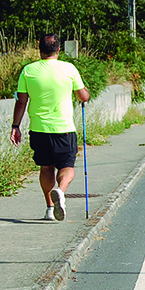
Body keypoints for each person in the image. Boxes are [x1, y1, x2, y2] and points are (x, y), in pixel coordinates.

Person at [10, 34, 90, 221]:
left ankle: (49, 209)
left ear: (39, 48)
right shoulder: (69, 68)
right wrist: (85, 92)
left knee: (46, 168)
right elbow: (83, 96)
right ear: (58, 50)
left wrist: (16, 126)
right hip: (64, 128)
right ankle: (60, 191)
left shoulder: (28, 70)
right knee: (67, 166)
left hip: (39, 129)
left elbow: (21, 101)